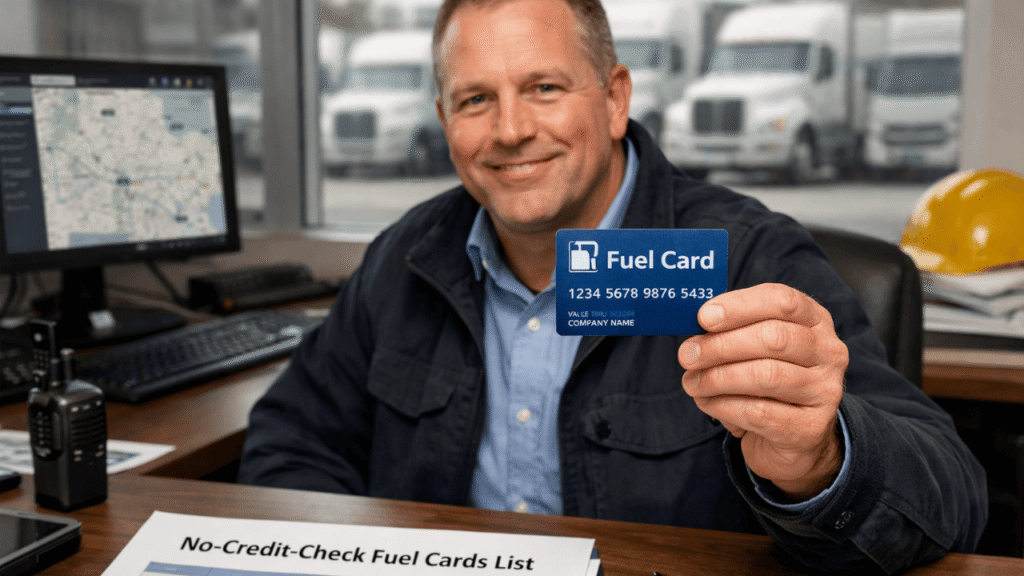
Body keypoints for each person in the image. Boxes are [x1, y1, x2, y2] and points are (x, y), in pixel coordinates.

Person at [238, 0, 987, 572]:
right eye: (475, 100)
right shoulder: (404, 257)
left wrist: (822, 459)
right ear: (443, 121)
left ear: (614, 97)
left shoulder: (748, 255)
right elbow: (289, 442)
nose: (508, 130)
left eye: (543, 87)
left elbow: (954, 500)